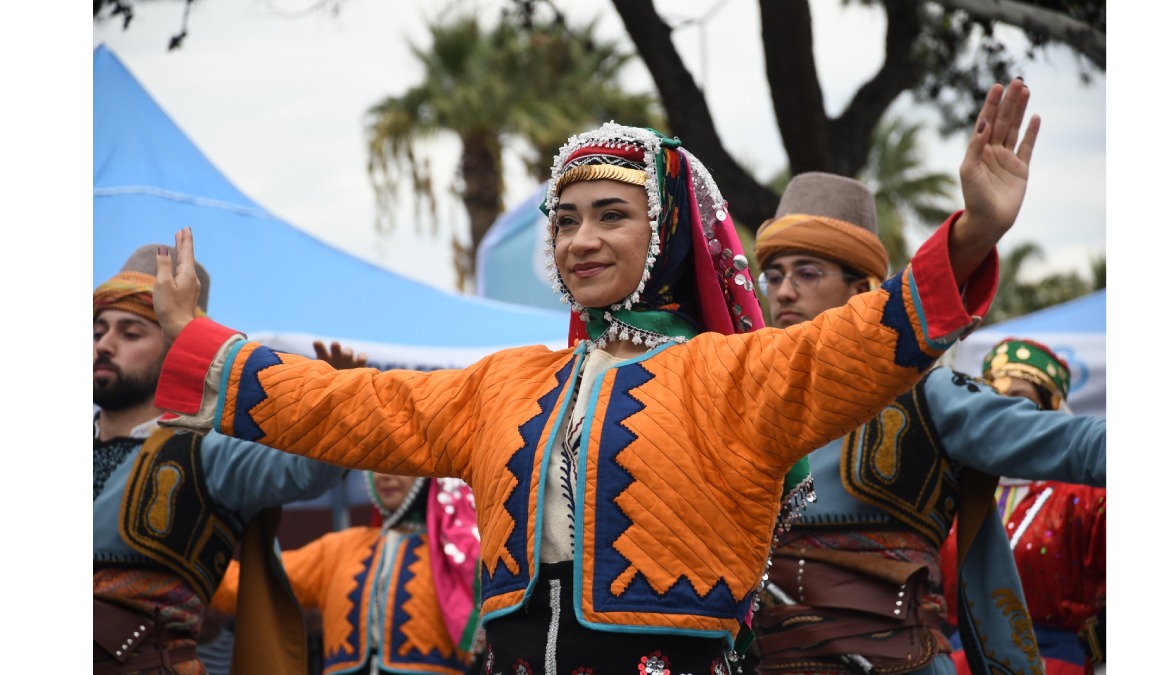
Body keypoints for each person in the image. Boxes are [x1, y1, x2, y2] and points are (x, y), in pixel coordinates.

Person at [150, 79, 1035, 673]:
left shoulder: (736, 376)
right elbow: (353, 404)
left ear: (669, 235)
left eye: (612, 215)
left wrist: (971, 233)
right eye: (564, 220)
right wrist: (201, 339)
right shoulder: (500, 384)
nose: (579, 240)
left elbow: (859, 342)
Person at [746, 171, 1105, 673]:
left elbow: (1076, 444)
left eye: (806, 272)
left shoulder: (929, 393)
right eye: (774, 275)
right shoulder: (745, 398)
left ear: (863, 289)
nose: (783, 291)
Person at [93, 245, 348, 674]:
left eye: (130, 333)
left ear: (175, 348)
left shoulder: (207, 447)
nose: (104, 345)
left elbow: (304, 472)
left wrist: (335, 414)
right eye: (98, 330)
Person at [209, 468, 484, 675]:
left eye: (401, 465)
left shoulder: (463, 555)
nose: (385, 475)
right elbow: (245, 586)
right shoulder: (340, 549)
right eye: (377, 463)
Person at [939, 338, 1106, 675]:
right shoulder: (951, 489)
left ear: (1050, 410)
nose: (1002, 414)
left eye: (1020, 401)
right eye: (992, 399)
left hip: (1052, 665)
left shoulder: (1088, 496)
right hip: (957, 664)